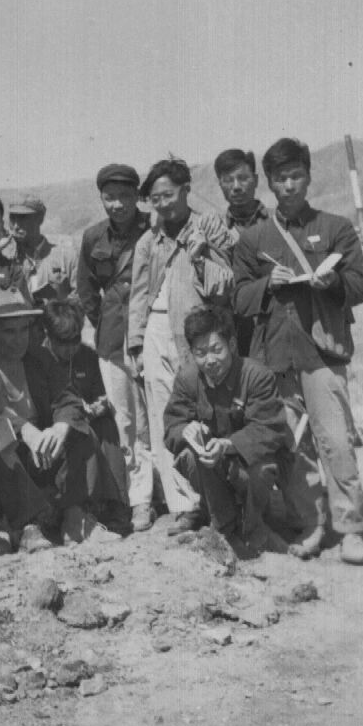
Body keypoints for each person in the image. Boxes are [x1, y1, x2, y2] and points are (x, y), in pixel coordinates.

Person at [232, 137, 363, 565]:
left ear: (308, 177)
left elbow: (359, 287)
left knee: (336, 441)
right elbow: (238, 299)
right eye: (281, 178)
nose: (289, 185)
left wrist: (334, 284)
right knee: (291, 448)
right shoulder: (253, 239)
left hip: (322, 353)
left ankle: (351, 529)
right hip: (275, 358)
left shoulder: (336, 229)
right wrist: (265, 285)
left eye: (296, 176)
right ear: (270, 183)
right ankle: (311, 524)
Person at [0, 290, 122, 552]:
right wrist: (24, 429)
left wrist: (60, 427)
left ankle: (75, 518)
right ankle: (28, 526)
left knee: (80, 431)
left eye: (24, 330)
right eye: (9, 331)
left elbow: (68, 399)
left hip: (39, 454)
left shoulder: (39, 358)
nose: (18, 339)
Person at [127, 156, 235, 534]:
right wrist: (136, 343)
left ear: (186, 190)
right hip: (156, 331)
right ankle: (185, 506)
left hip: (196, 333)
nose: (162, 204)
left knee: (202, 412)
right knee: (163, 417)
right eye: (155, 198)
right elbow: (138, 295)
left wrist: (201, 255)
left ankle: (218, 502)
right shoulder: (149, 241)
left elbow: (224, 286)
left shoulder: (209, 228)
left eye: (168, 195)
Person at [163, 305, 291, 555]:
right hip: (212, 468)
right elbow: (171, 427)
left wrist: (228, 445)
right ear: (192, 353)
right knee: (188, 456)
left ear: (231, 345)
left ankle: (256, 529)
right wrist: (185, 430)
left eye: (216, 349)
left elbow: (269, 428)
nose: (209, 360)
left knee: (263, 469)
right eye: (200, 353)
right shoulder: (187, 379)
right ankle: (223, 528)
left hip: (246, 462)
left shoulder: (256, 375)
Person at [76, 163, 155, 533]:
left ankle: (170, 494)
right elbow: (86, 291)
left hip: (150, 332)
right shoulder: (93, 237)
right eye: (110, 197)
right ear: (102, 198)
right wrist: (106, 321)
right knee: (126, 421)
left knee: (157, 415)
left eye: (125, 196)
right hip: (111, 337)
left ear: (137, 196)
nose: (118, 204)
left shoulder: (154, 228)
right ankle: (140, 500)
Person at [40, 299, 130, 532]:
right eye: (63, 342)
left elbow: (99, 393)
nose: (70, 347)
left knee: (108, 427)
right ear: (48, 335)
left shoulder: (87, 356)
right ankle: (84, 506)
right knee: (83, 433)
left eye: (75, 339)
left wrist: (99, 405)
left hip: (87, 419)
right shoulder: (40, 359)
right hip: (56, 428)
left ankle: (116, 502)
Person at [213, 148, 271, 356]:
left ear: (256, 180)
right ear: (220, 185)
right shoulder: (214, 230)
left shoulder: (278, 222)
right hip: (235, 327)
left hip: (276, 320)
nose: (236, 187)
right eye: (228, 180)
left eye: (243, 178)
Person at [7, 194, 78, 304]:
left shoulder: (66, 257)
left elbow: (80, 298)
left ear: (40, 219)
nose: (16, 226)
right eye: (12, 218)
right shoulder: (5, 259)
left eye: (22, 218)